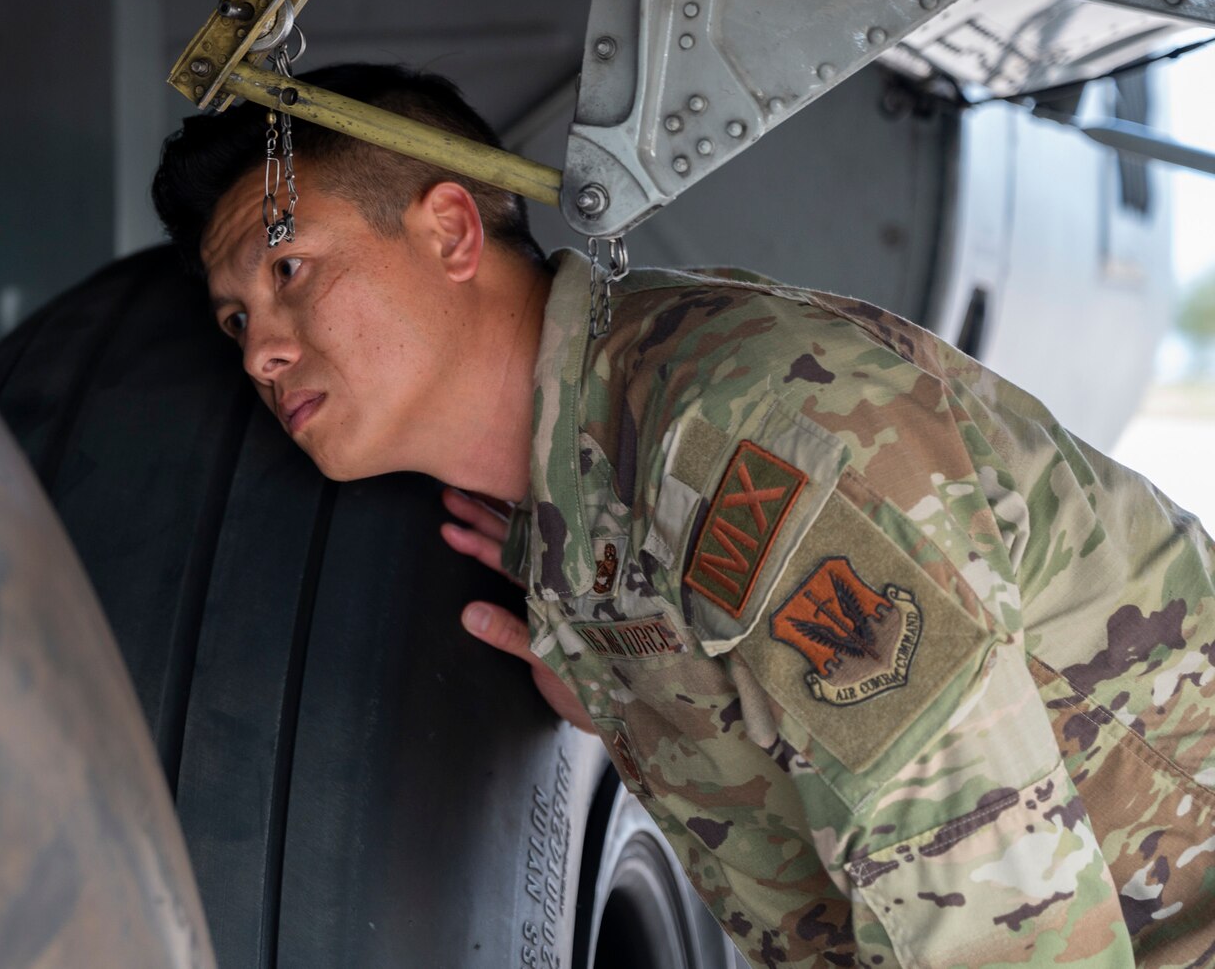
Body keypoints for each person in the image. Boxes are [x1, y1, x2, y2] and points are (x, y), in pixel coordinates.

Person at [151, 61, 1215, 969]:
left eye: (289, 270)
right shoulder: (592, 490)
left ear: (450, 230)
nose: (259, 349)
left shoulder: (739, 435)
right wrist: (621, 684)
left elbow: (994, 899)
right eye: (237, 315)